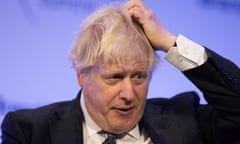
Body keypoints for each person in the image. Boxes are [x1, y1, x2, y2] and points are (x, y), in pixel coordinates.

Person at [1, 0, 240, 144]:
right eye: (114, 77)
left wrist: (170, 42)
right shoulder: (29, 132)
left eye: (139, 76)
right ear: (81, 75)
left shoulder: (186, 120)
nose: (128, 94)